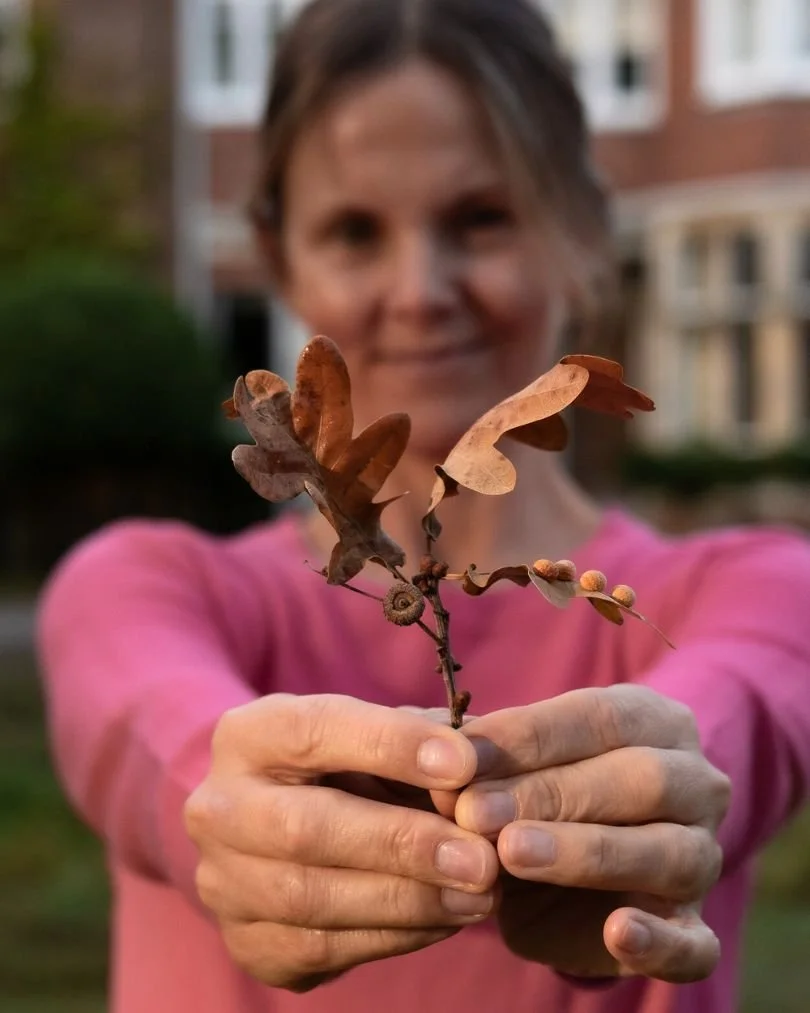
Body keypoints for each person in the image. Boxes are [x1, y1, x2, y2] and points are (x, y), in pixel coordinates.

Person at [36, 1, 810, 1011]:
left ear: (581, 226)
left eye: (479, 219)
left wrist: (653, 796)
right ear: (279, 257)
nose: (420, 291)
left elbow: (740, 716)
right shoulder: (145, 585)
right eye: (355, 231)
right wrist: (223, 811)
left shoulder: (756, 587)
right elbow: (147, 728)